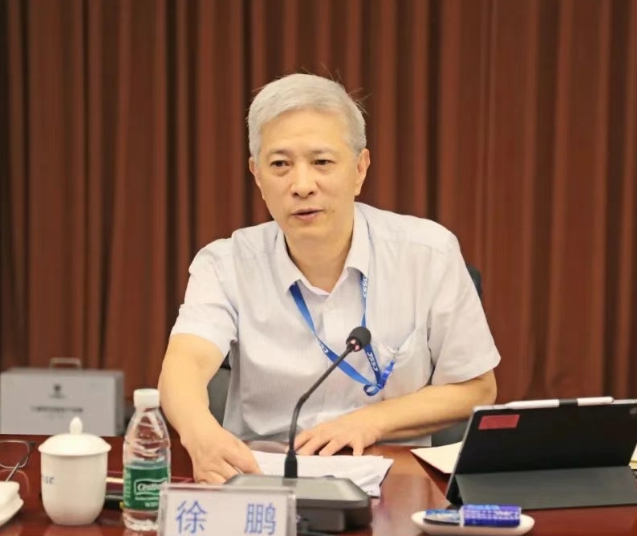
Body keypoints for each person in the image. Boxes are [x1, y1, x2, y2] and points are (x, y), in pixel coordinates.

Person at [158, 73, 500, 485]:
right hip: (260, 480)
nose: (302, 186)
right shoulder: (224, 264)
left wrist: (370, 421)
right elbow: (185, 363)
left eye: (322, 162)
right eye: (280, 165)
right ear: (257, 175)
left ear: (359, 169)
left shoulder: (428, 254)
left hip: (393, 480)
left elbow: (477, 387)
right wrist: (200, 434)